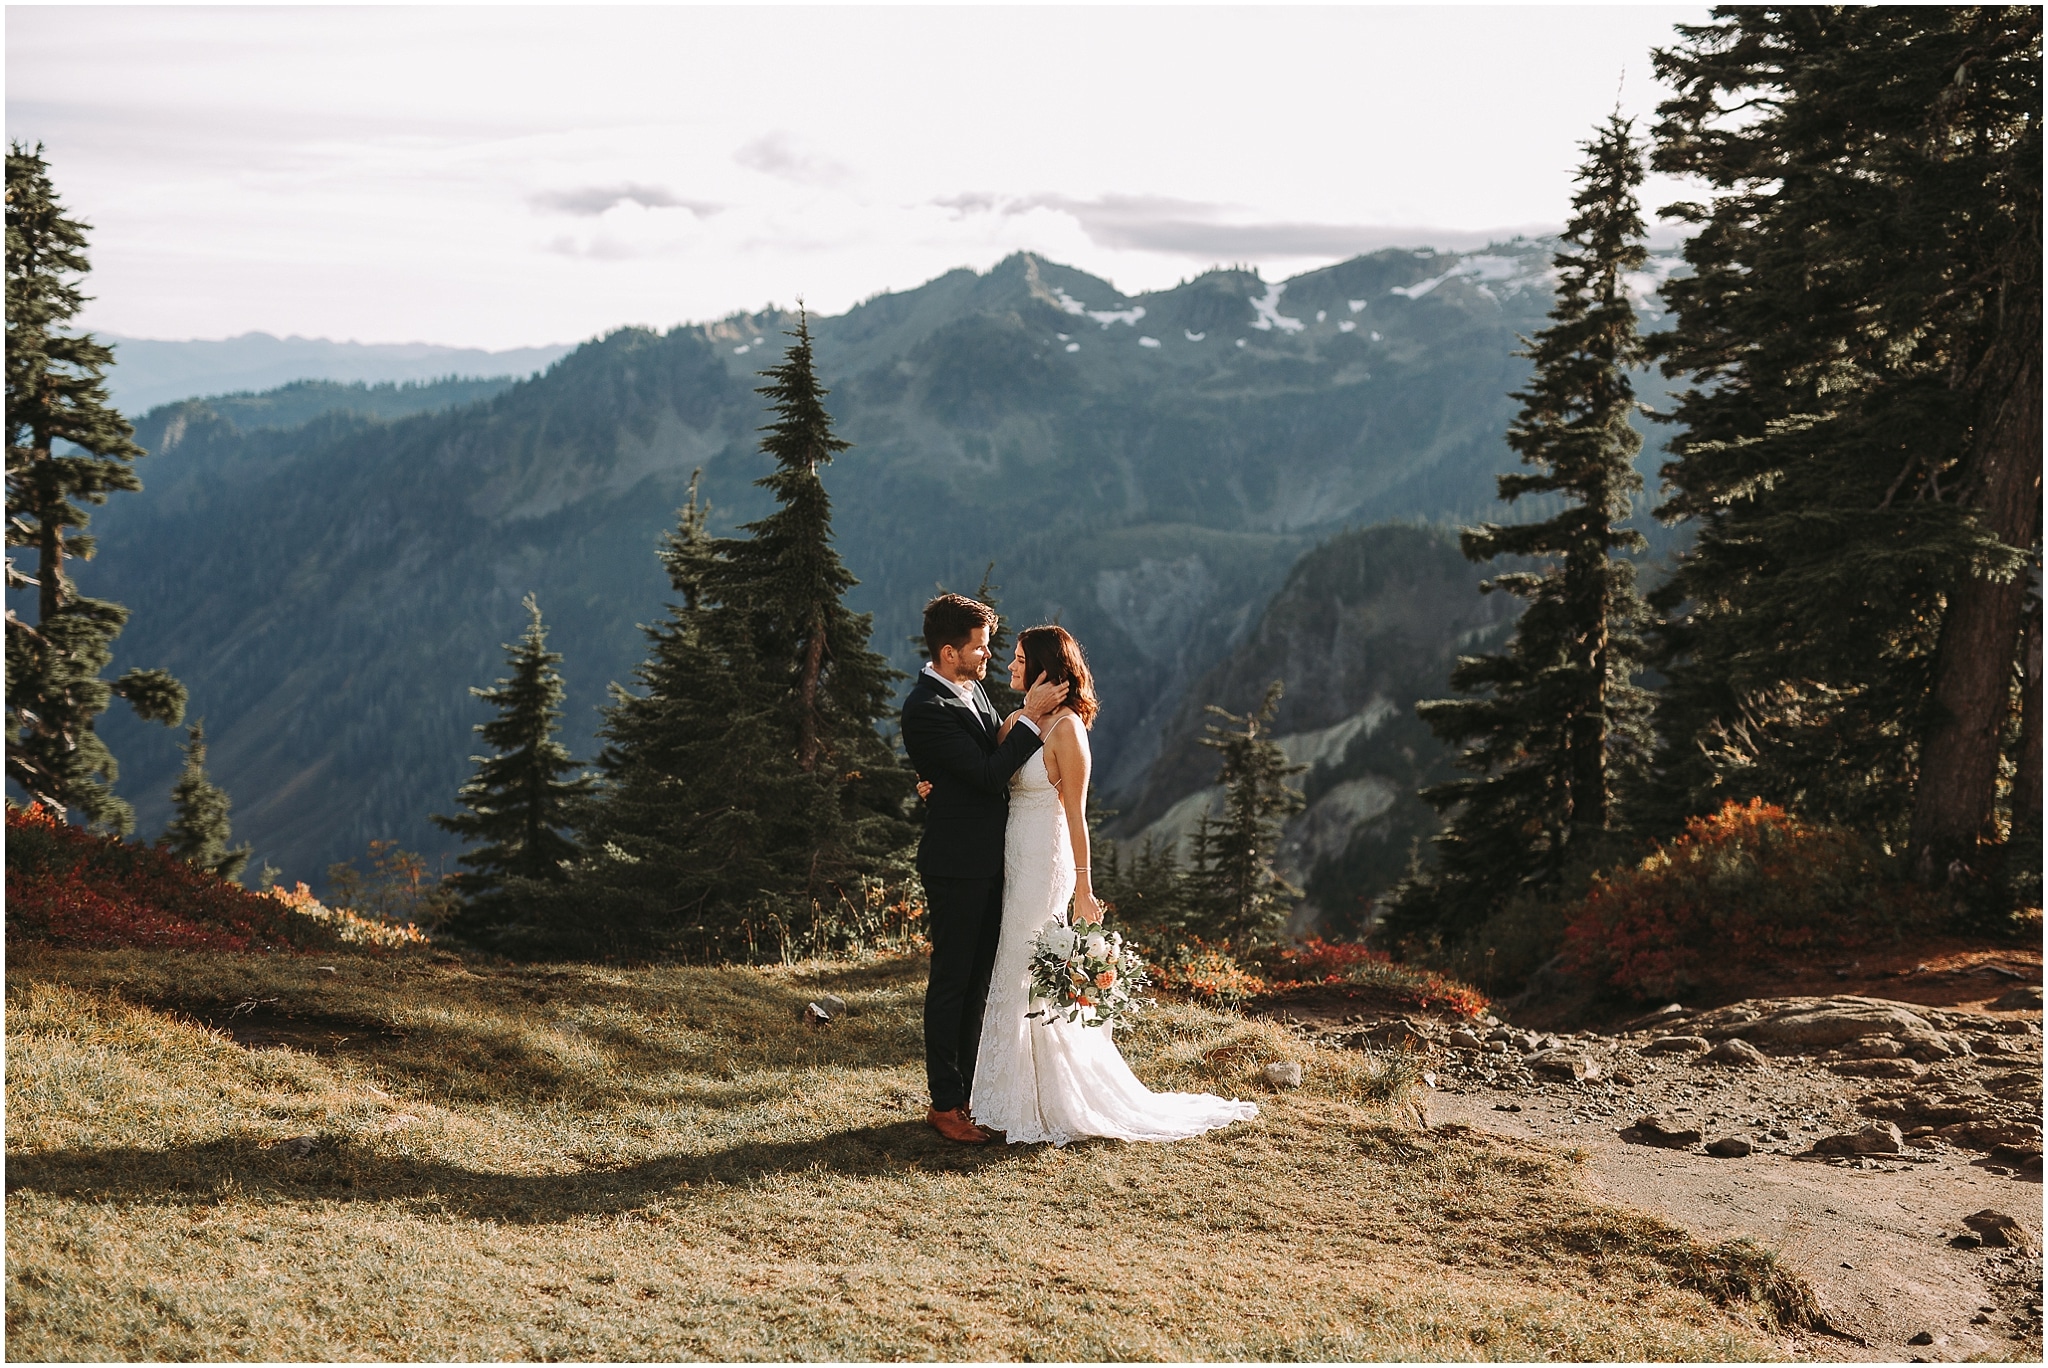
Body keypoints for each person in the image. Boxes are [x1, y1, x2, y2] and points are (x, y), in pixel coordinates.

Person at [970, 624, 1258, 1146]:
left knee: (1026, 966)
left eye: (1017, 660)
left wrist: (1084, 888)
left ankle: (1045, 1098)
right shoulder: (1016, 720)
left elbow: (1076, 819)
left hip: (1047, 862)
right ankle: (1002, 1095)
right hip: (1012, 858)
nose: (1008, 667)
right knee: (1008, 965)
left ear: (1042, 670)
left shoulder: (1067, 732)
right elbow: (988, 779)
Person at [899, 593, 1068, 1145]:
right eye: (978, 647)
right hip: (957, 863)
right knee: (953, 981)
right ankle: (945, 1102)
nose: (988, 655)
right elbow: (990, 773)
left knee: (980, 982)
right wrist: (1035, 716)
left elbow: (984, 758)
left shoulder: (969, 691)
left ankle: (973, 1091)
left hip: (994, 859)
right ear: (949, 652)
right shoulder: (925, 708)